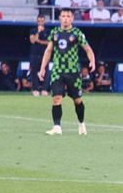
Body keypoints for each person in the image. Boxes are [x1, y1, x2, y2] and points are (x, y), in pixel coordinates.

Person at [37, 8, 96, 136]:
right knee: (56, 98)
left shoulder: (77, 33)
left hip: (73, 72)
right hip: (57, 71)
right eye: (63, 16)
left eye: (68, 16)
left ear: (72, 18)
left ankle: (81, 123)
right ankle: (57, 127)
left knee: (77, 100)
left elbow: (88, 49)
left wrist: (92, 61)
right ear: (59, 18)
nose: (65, 18)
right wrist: (42, 68)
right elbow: (48, 51)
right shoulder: (54, 32)